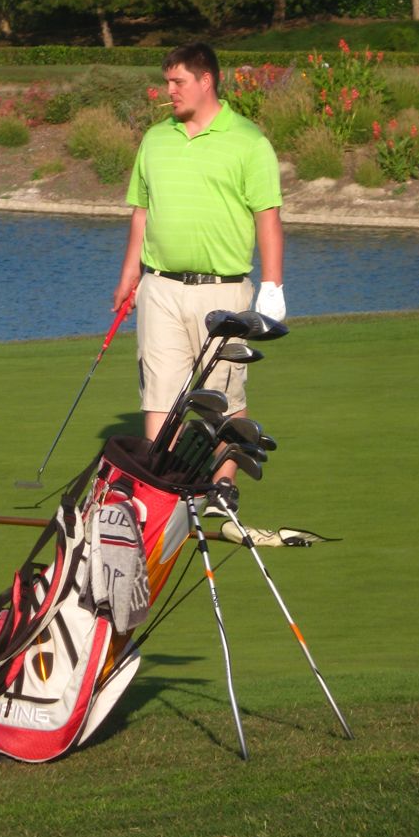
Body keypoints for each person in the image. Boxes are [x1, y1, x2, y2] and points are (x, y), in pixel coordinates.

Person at [112, 40, 285, 513]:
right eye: (167, 81)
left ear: (205, 80)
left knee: (224, 393)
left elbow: (267, 217)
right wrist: (129, 275)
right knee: (160, 389)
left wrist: (273, 286)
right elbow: (140, 212)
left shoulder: (249, 141)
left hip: (225, 290)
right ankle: (161, 486)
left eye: (177, 81)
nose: (168, 90)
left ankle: (223, 484)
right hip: (161, 286)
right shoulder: (155, 138)